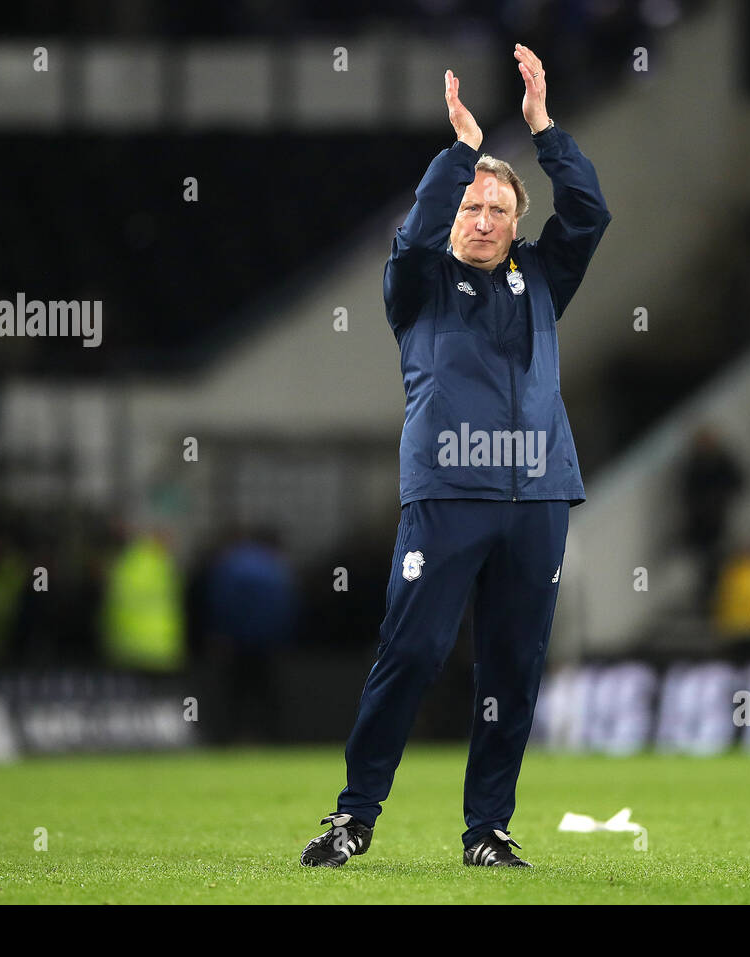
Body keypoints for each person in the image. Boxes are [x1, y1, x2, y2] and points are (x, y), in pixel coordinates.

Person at [301, 44, 612, 868]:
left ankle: (487, 831)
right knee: (411, 654)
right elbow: (410, 236)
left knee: (512, 670)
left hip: (539, 496)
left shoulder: (543, 278)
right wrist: (462, 152)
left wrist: (544, 129)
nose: (481, 219)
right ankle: (354, 816)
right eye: (471, 206)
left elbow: (589, 213)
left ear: (515, 226)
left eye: (497, 211)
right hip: (447, 494)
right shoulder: (418, 283)